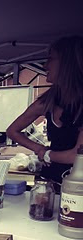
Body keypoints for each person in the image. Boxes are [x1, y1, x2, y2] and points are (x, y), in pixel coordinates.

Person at [6, 36, 83, 186]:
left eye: (51, 59)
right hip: (50, 181)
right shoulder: (48, 100)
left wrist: (47, 154)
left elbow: (78, 155)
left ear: (67, 63)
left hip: (77, 188)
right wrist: (39, 149)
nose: (45, 65)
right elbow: (12, 131)